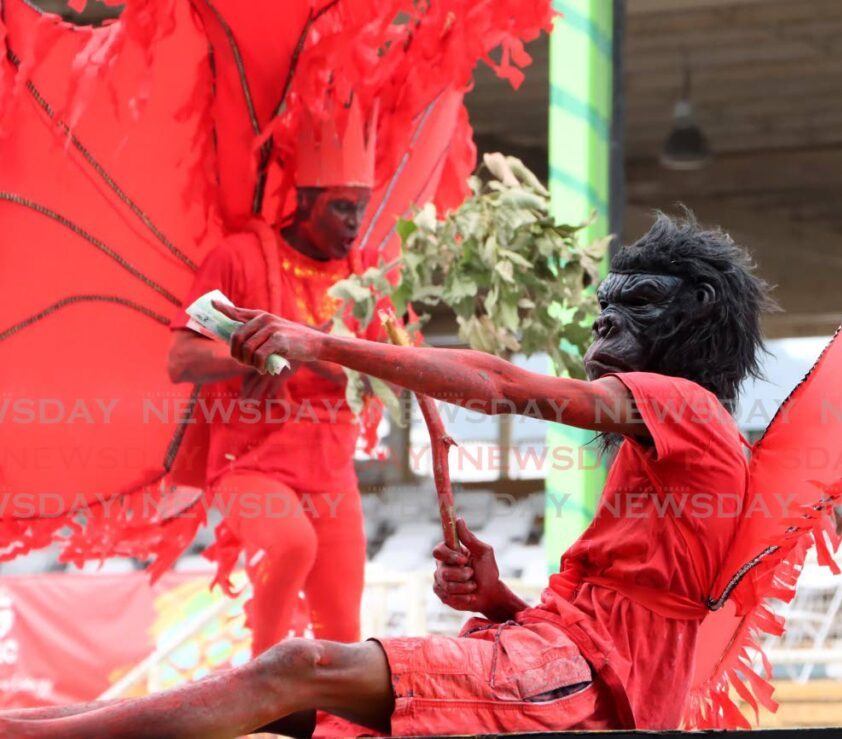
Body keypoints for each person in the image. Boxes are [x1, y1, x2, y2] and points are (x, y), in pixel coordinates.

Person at [0, 213, 772, 737]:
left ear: (696, 317)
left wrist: (322, 345)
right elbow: (625, 629)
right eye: (604, 305)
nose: (603, 323)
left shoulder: (687, 406)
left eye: (635, 305)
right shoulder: (666, 436)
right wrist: (501, 599)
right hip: (561, 666)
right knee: (295, 693)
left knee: (297, 666)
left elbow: (499, 384)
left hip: (573, 685)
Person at [165, 104, 379, 655]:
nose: (354, 223)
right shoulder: (238, 260)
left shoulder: (367, 281)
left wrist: (314, 350)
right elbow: (182, 359)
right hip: (250, 466)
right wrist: (257, 355)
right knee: (290, 546)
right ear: (304, 201)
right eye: (340, 207)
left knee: (343, 634)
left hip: (332, 475)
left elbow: (394, 373)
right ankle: (262, 690)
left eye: (362, 208)